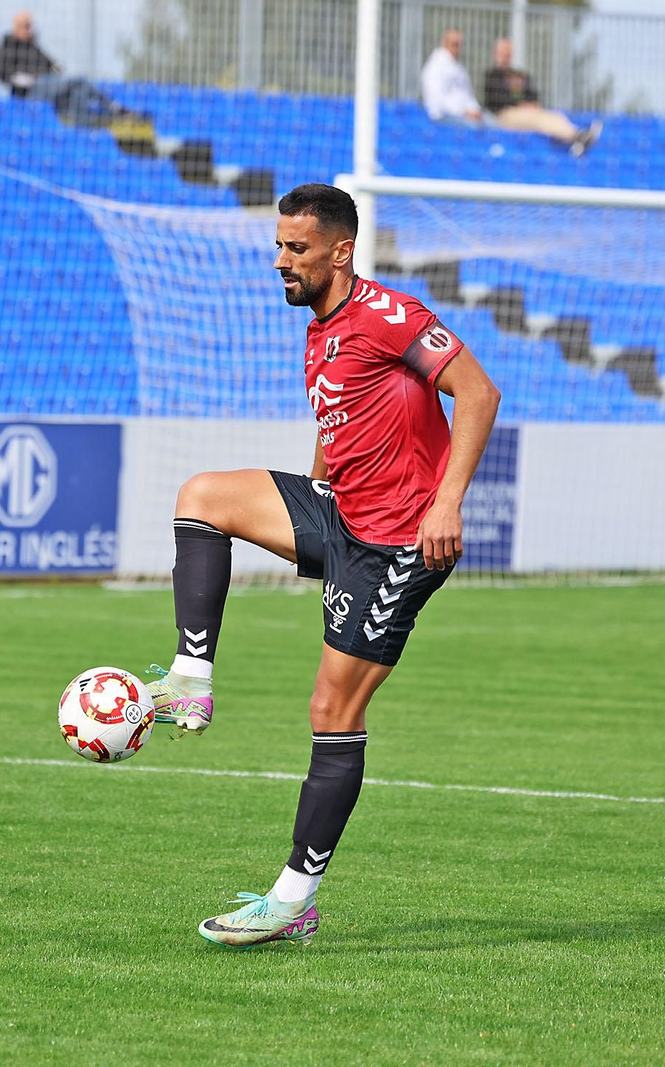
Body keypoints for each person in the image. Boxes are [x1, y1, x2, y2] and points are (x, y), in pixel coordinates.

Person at [145, 183, 500, 947]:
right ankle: (190, 680)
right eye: (278, 245)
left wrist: (447, 503)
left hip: (401, 540)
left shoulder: (392, 315)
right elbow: (341, 420)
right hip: (340, 512)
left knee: (332, 713)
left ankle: (292, 898)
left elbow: (478, 392)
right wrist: (319, 480)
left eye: (296, 248)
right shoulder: (319, 327)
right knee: (203, 496)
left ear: (341, 251)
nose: (281, 260)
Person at [0, 11, 150, 136]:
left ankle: (89, 128)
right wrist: (25, 79)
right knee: (79, 81)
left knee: (77, 94)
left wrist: (55, 69)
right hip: (28, 92)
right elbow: (0, 73)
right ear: (16, 27)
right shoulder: (7, 47)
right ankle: (113, 109)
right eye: (26, 25)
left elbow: (53, 65)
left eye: (30, 25)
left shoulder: (33, 47)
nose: (29, 29)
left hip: (48, 86)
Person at [482, 38, 601, 156]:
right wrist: (519, 105)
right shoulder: (492, 76)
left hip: (528, 112)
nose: (505, 56)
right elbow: (493, 101)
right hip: (506, 115)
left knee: (555, 115)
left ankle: (578, 137)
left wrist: (531, 104)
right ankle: (577, 137)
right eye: (502, 53)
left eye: (508, 53)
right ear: (496, 53)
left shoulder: (518, 75)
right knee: (537, 119)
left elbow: (532, 94)